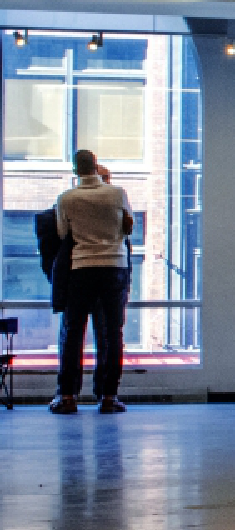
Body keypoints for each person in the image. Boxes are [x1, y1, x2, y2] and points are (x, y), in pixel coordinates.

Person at [50, 149, 133, 414]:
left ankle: (67, 396)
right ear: (96, 166)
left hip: (82, 268)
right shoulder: (117, 193)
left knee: (73, 331)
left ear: (75, 170)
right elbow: (128, 226)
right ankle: (108, 396)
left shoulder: (66, 199)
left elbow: (63, 233)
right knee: (111, 332)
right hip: (113, 267)